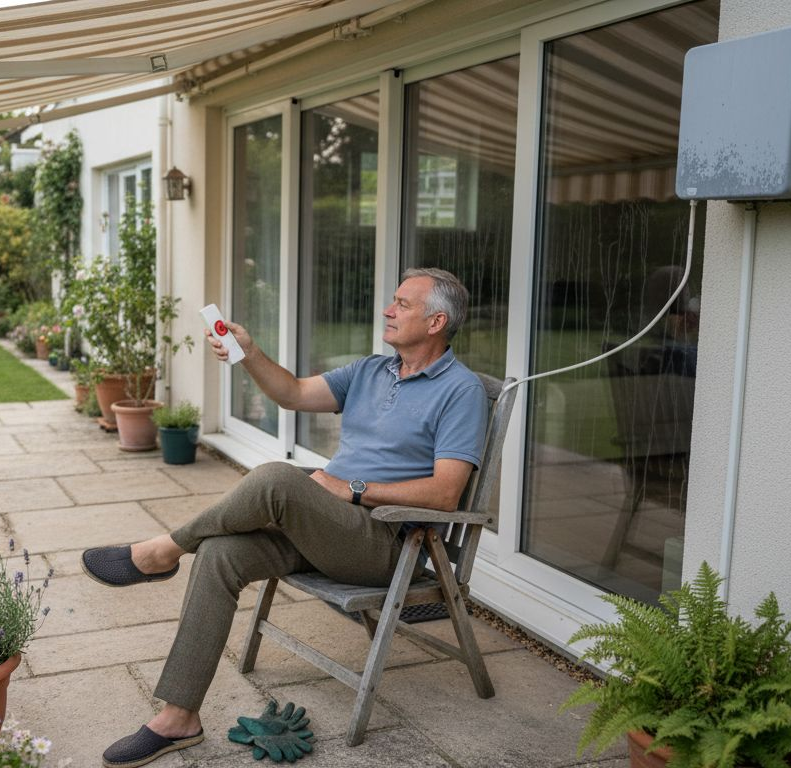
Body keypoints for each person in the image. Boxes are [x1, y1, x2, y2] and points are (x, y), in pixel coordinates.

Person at [82, 267, 491, 768]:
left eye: (403, 304)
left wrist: (353, 488)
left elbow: (447, 494)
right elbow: (294, 393)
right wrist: (250, 354)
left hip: (384, 545)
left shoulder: (460, 391)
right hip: (327, 528)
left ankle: (162, 550)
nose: (388, 309)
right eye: (393, 300)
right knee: (219, 553)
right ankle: (178, 717)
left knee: (277, 478)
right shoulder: (371, 371)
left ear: (436, 322)